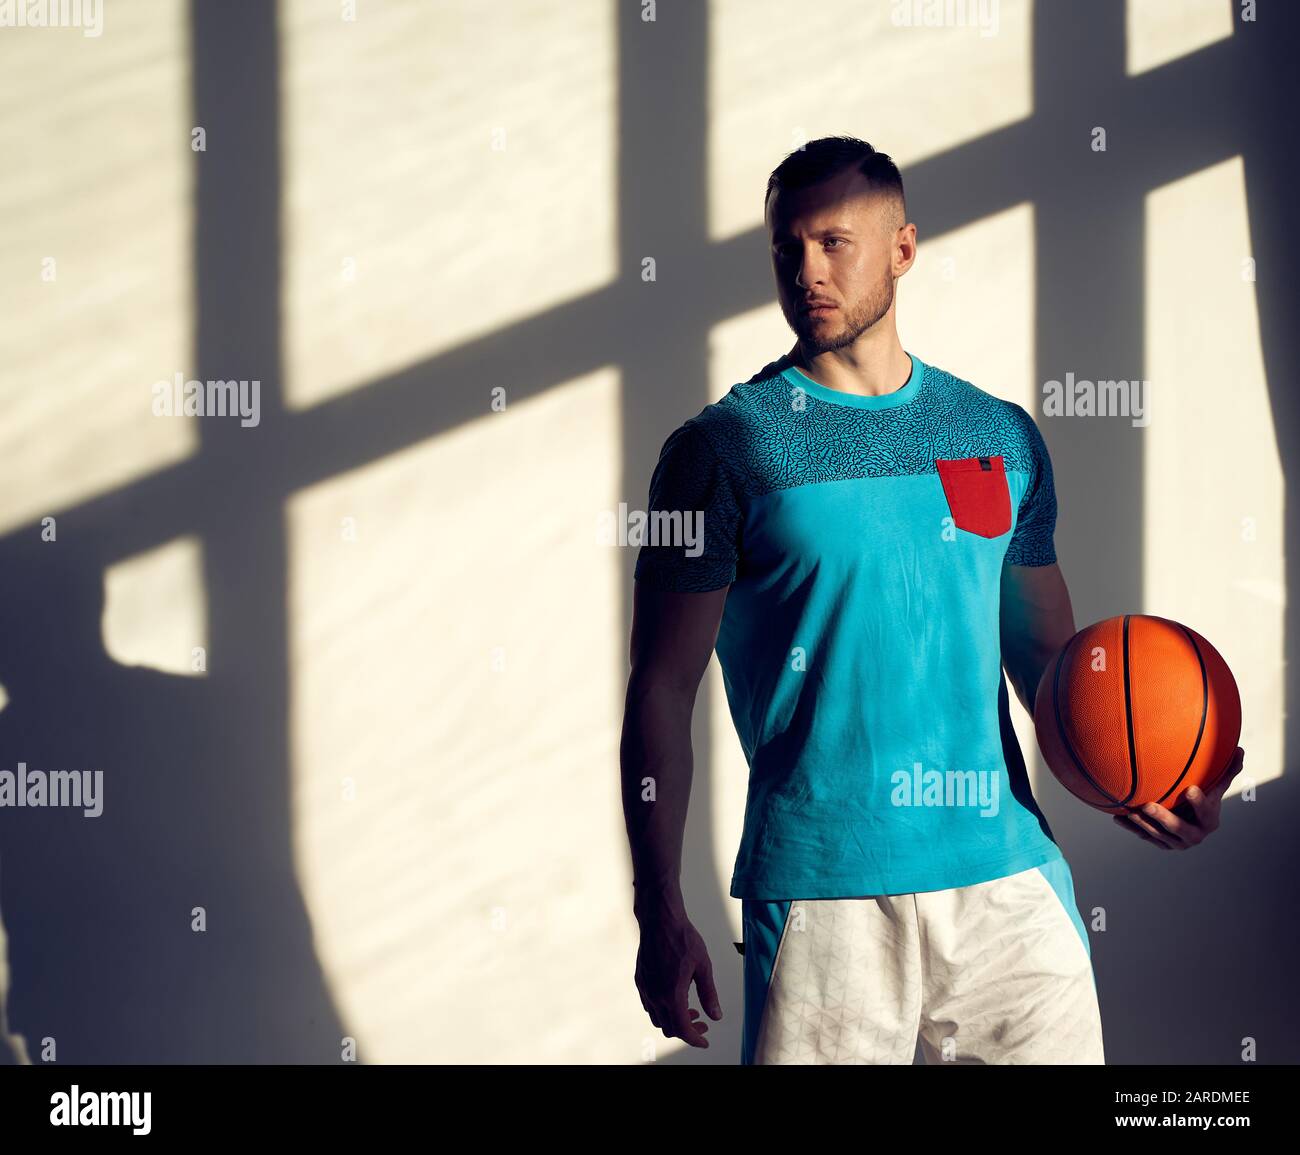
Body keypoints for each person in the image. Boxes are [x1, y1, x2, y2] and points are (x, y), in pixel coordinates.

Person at [620, 135, 1241, 1065]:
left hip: (1005, 880)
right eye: (787, 249)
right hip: (826, 895)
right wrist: (658, 908)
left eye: (834, 242)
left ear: (903, 249)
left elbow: (1049, 663)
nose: (806, 272)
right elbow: (662, 688)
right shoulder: (721, 452)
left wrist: (1135, 777)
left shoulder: (997, 435)